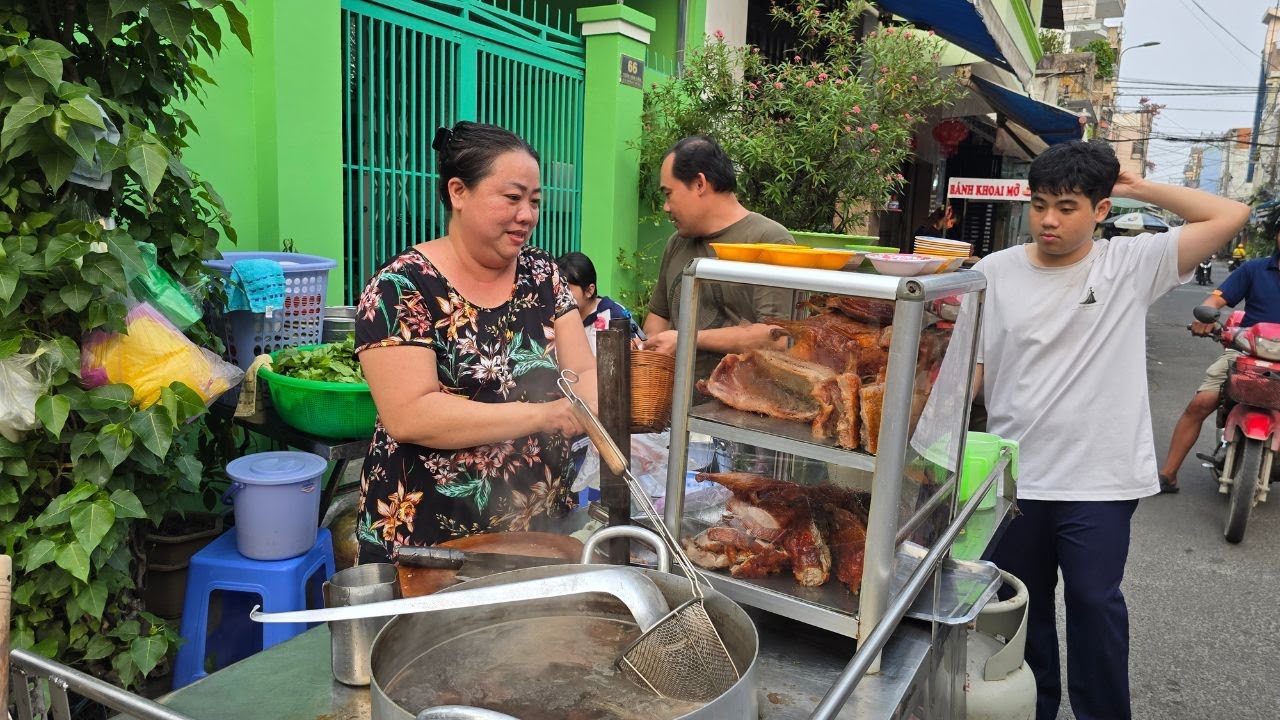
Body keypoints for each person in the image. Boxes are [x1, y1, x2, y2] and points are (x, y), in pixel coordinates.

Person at [971, 140, 1248, 720]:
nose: (1049, 219)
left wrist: (1134, 185)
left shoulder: (1129, 264)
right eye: (1040, 203)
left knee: (1096, 605)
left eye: (1068, 206)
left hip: (1099, 478)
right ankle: (1035, 710)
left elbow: (1229, 215)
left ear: (1100, 211)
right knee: (1022, 612)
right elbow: (975, 366)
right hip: (1013, 476)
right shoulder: (992, 272)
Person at [352, 121, 596, 563]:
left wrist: (595, 407)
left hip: (535, 530)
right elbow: (411, 415)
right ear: (459, 192)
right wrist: (543, 414)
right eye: (512, 197)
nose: (527, 215)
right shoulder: (401, 287)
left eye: (535, 201)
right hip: (427, 539)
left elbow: (585, 370)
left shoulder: (542, 275)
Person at [643, 135, 793, 383]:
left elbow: (776, 338)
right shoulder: (677, 243)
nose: (666, 207)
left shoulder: (768, 240)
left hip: (735, 414)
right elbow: (657, 319)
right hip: (673, 408)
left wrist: (686, 339)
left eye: (669, 194)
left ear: (700, 184)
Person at [1159, 230, 1280, 493]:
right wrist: (1206, 317)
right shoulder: (1254, 269)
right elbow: (1216, 298)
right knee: (1201, 402)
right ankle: (1168, 474)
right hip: (1247, 352)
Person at [555, 251, 641, 353]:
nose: (559, 295)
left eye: (567, 289)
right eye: (557, 288)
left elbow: (639, 349)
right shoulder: (555, 316)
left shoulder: (617, 315)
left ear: (589, 290)